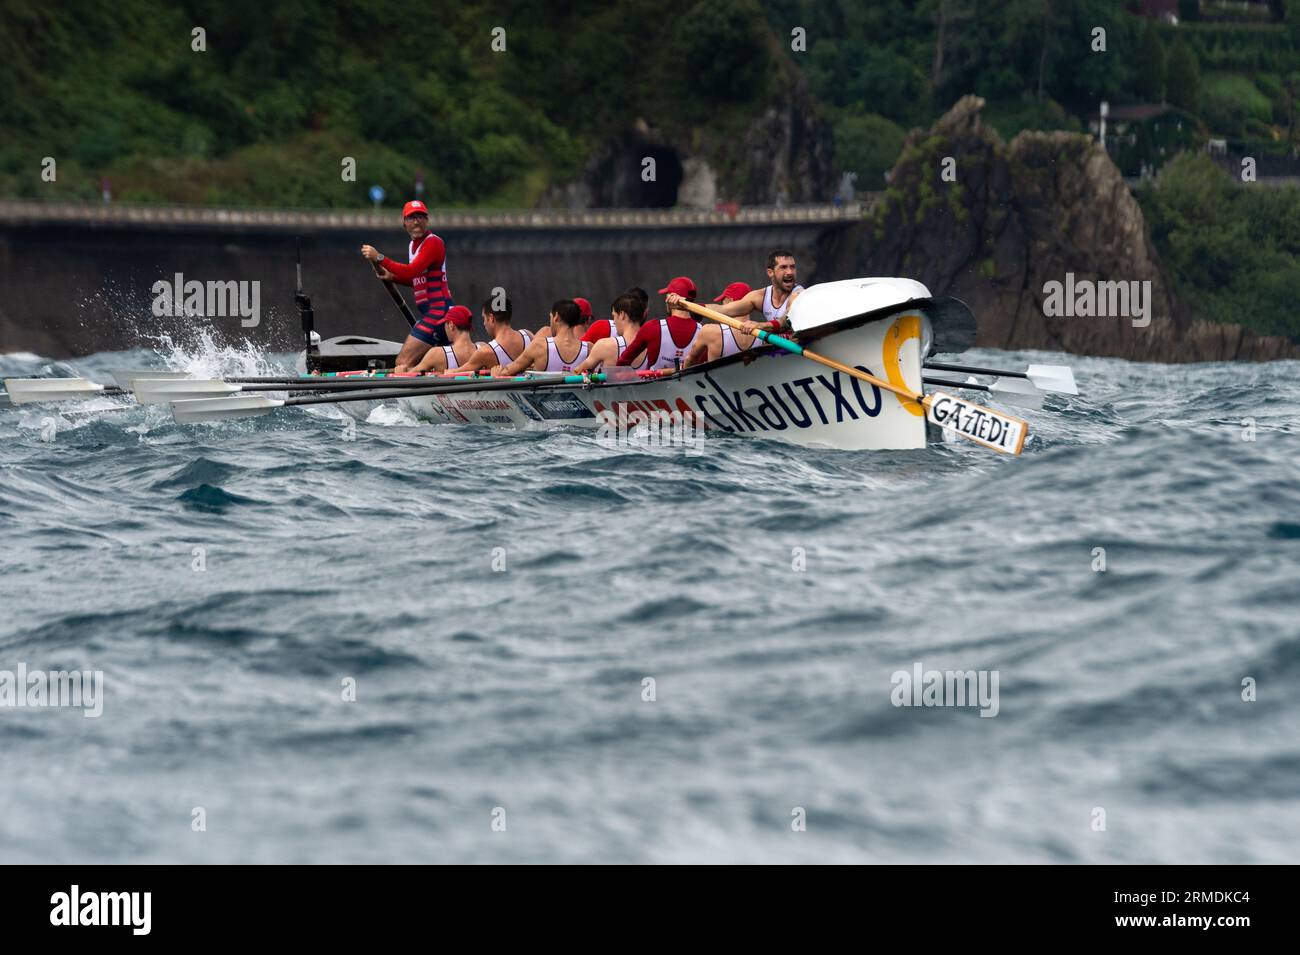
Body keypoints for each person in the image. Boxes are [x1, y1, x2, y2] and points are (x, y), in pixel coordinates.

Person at [360, 200, 455, 371]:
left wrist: (379, 257)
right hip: (436, 314)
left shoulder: (433, 243)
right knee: (443, 367)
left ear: (427, 220)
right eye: (412, 218)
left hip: (438, 314)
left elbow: (411, 271)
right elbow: (417, 281)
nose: (417, 221)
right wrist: (392, 277)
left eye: (420, 216)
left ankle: (412, 394)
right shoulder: (413, 246)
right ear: (404, 223)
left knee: (403, 363)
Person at [666, 250, 803, 338]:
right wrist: (685, 305)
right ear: (770, 272)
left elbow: (785, 321)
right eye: (783, 267)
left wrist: (759, 325)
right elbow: (724, 310)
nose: (790, 272)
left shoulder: (798, 295)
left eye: (792, 267)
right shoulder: (760, 296)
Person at [616, 277, 702, 371]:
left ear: (671, 298)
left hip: (655, 385)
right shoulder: (703, 332)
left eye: (666, 295)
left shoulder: (652, 327)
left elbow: (622, 363)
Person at [434, 297, 533, 375]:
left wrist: (450, 372)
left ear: (491, 318)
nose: (484, 323)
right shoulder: (528, 336)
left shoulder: (485, 352)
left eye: (484, 318)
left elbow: (455, 373)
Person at [492, 300, 590, 376]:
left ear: (556, 317)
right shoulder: (590, 349)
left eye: (550, 317)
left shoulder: (539, 346)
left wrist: (496, 374)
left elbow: (507, 372)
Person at [683, 281, 754, 367]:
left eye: (722, 302)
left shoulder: (710, 331)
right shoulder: (763, 333)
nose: (721, 306)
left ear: (730, 301)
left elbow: (690, 361)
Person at [574, 294, 647, 373]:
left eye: (614, 316)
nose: (614, 322)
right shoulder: (655, 345)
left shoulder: (605, 346)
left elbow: (577, 372)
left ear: (622, 315)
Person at [409, 306, 481, 373]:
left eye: (445, 324)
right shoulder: (483, 349)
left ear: (451, 325)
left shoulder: (436, 354)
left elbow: (409, 376)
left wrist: (400, 371)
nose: (444, 329)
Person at [581, 287, 649, 344]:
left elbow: (576, 352)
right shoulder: (655, 336)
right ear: (645, 312)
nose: (614, 321)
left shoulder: (602, 327)